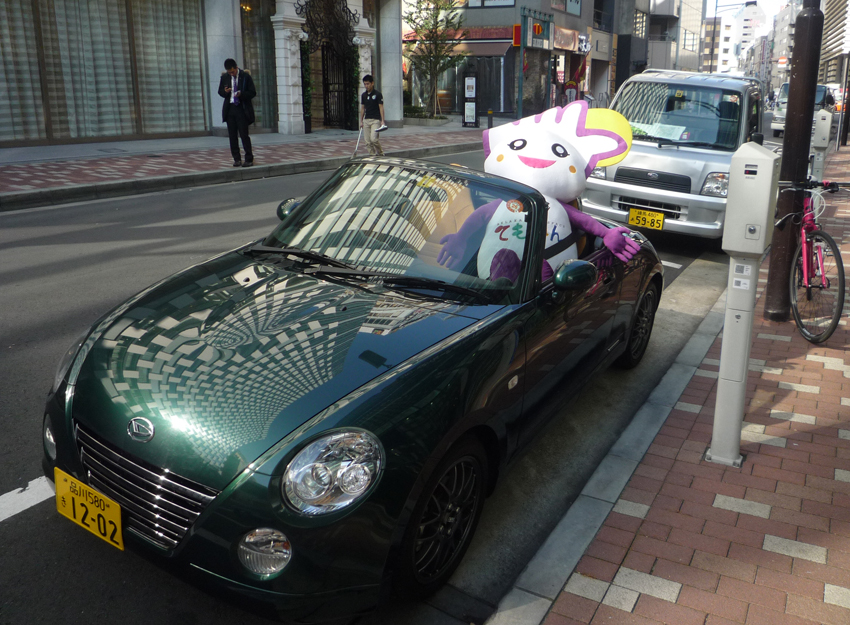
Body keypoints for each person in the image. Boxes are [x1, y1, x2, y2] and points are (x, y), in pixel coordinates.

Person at [218, 58, 257, 167]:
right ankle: (236, 159)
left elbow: (252, 92)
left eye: (233, 72)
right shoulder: (225, 77)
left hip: (241, 108)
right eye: (229, 72)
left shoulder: (245, 76)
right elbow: (220, 92)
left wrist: (241, 94)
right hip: (230, 109)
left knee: (244, 135)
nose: (232, 74)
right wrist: (225, 92)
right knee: (232, 136)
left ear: (236, 67)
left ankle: (248, 158)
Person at [359, 75, 386, 156]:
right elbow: (362, 108)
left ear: (372, 83)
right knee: (367, 142)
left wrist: (382, 121)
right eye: (365, 84)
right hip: (366, 119)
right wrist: (361, 121)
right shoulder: (364, 95)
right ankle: (372, 156)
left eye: (368, 84)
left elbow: (381, 107)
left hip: (375, 120)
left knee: (374, 139)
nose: (366, 86)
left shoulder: (378, 94)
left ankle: (380, 153)